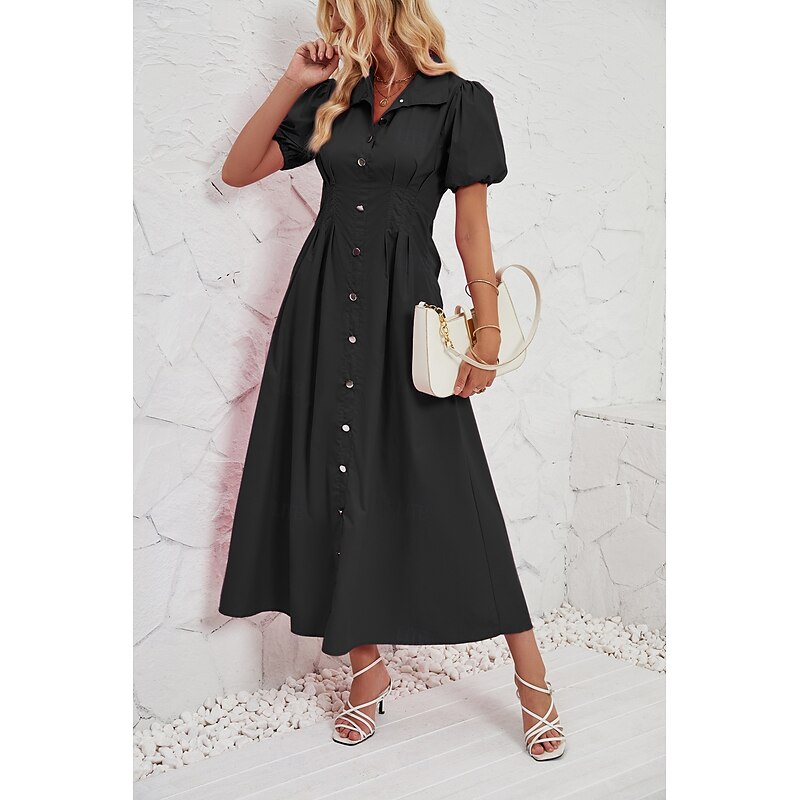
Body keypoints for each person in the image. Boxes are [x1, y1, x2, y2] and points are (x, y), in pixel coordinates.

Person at [218, 0, 565, 760]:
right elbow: (237, 170)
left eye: (347, 14)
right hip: (319, 309)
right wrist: (291, 80)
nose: (337, 30)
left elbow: (470, 228)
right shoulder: (330, 98)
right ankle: (367, 670)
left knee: (456, 483)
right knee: (337, 476)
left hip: (403, 312)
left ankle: (532, 678)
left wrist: (486, 332)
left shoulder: (459, 102)